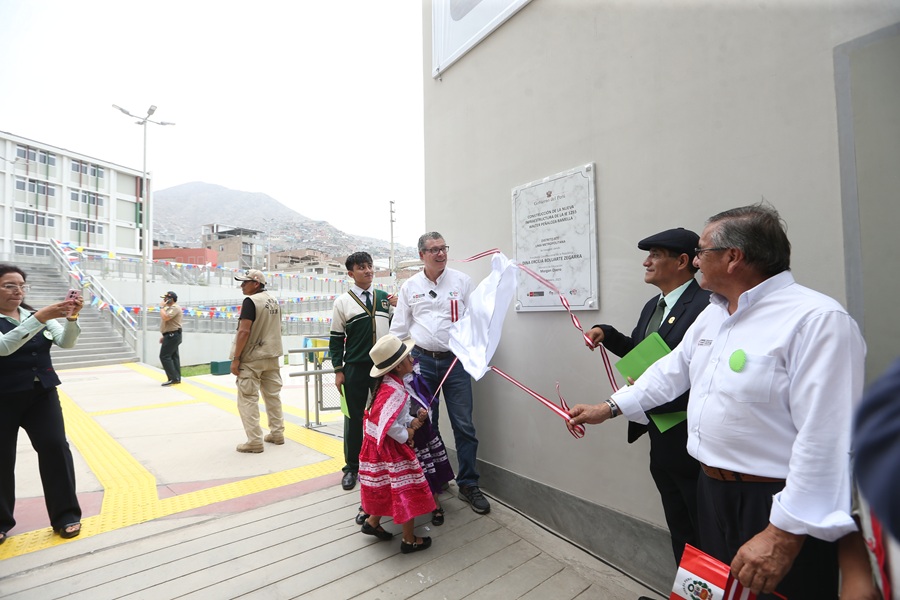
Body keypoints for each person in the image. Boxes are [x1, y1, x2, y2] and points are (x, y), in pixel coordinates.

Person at [568, 204, 866, 598]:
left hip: (775, 504)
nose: (695, 261)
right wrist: (608, 408)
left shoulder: (817, 321)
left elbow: (829, 438)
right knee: (715, 590)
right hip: (711, 492)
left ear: (733, 258)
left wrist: (782, 533)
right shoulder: (713, 316)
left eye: (701, 251)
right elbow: (669, 372)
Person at [585, 227, 710, 566]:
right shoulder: (653, 306)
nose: (646, 261)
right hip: (659, 434)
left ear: (683, 261)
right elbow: (643, 356)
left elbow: (687, 372)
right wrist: (608, 335)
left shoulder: (704, 307)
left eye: (655, 255)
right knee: (679, 525)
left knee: (703, 530)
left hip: (688, 438)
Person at [390, 231, 490, 515]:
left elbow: (476, 323)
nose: (440, 254)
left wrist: (474, 353)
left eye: (443, 248)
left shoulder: (462, 282)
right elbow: (398, 330)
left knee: (464, 425)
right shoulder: (410, 287)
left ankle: (469, 484)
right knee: (424, 424)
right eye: (433, 250)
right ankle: (431, 483)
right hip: (421, 362)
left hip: (456, 363)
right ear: (422, 255)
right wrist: (393, 369)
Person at [0, 264, 85, 544]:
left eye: (22, 285)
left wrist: (71, 319)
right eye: (10, 285)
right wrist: (39, 318)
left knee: (55, 447)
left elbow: (66, 342)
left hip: (41, 393)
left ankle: (66, 515)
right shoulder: (37, 316)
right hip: (3, 396)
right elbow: (4, 347)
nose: (18, 291)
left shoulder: (34, 314)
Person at [358, 335, 435, 553]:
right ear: (399, 366)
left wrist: (412, 420)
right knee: (406, 491)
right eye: (408, 357)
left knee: (388, 487)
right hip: (391, 450)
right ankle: (409, 539)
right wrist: (407, 432)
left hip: (381, 447)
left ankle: (372, 522)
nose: (412, 359)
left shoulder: (391, 386)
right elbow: (390, 426)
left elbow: (392, 419)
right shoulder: (393, 392)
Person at [329, 252, 393, 495]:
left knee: (385, 416)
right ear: (350, 273)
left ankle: (384, 462)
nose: (367, 270)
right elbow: (336, 339)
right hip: (355, 368)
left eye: (369, 266)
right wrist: (338, 370)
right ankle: (352, 467)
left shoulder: (385, 298)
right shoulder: (343, 302)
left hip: (384, 367)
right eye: (361, 267)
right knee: (354, 418)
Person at [230, 269, 285, 453]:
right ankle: (277, 433)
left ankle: (254, 441)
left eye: (245, 283)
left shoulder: (250, 301)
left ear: (256, 284)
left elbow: (244, 331)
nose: (241, 286)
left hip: (252, 357)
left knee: (247, 398)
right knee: (272, 396)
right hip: (272, 355)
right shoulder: (274, 300)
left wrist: (236, 358)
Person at [159, 290, 183, 386]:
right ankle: (176, 378)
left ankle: (173, 378)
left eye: (166, 298)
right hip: (170, 335)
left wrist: (161, 307)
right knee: (173, 357)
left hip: (173, 335)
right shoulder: (169, 308)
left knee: (164, 356)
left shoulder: (175, 308)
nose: (164, 300)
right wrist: (164, 335)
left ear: (171, 299)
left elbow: (166, 318)